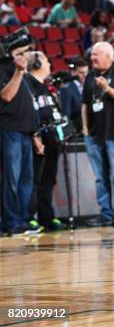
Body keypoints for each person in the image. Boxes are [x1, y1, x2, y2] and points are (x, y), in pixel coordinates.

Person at [82, 42, 114, 227]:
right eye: (92, 54)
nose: (92, 57)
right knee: (100, 177)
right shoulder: (90, 76)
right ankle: (105, 214)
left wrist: (106, 88)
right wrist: (85, 130)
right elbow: (85, 105)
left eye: (96, 54)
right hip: (94, 136)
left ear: (109, 56)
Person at [0, 37, 39, 235]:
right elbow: (6, 95)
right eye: (24, 51)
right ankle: (10, 222)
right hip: (10, 131)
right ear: (14, 54)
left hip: (25, 132)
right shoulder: (5, 69)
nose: (28, 55)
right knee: (12, 180)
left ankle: (23, 220)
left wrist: (35, 135)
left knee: (26, 181)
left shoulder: (26, 76)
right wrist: (19, 71)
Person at [26, 52, 66, 232]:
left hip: (52, 140)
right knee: (35, 180)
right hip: (39, 139)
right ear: (35, 64)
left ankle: (46, 217)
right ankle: (30, 217)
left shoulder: (45, 87)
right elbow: (31, 113)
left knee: (48, 180)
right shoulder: (28, 84)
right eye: (45, 60)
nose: (49, 63)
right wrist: (35, 136)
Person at [59, 57, 89, 134]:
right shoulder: (66, 89)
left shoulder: (91, 86)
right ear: (73, 72)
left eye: (86, 72)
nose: (85, 75)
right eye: (81, 73)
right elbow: (66, 115)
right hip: (78, 131)